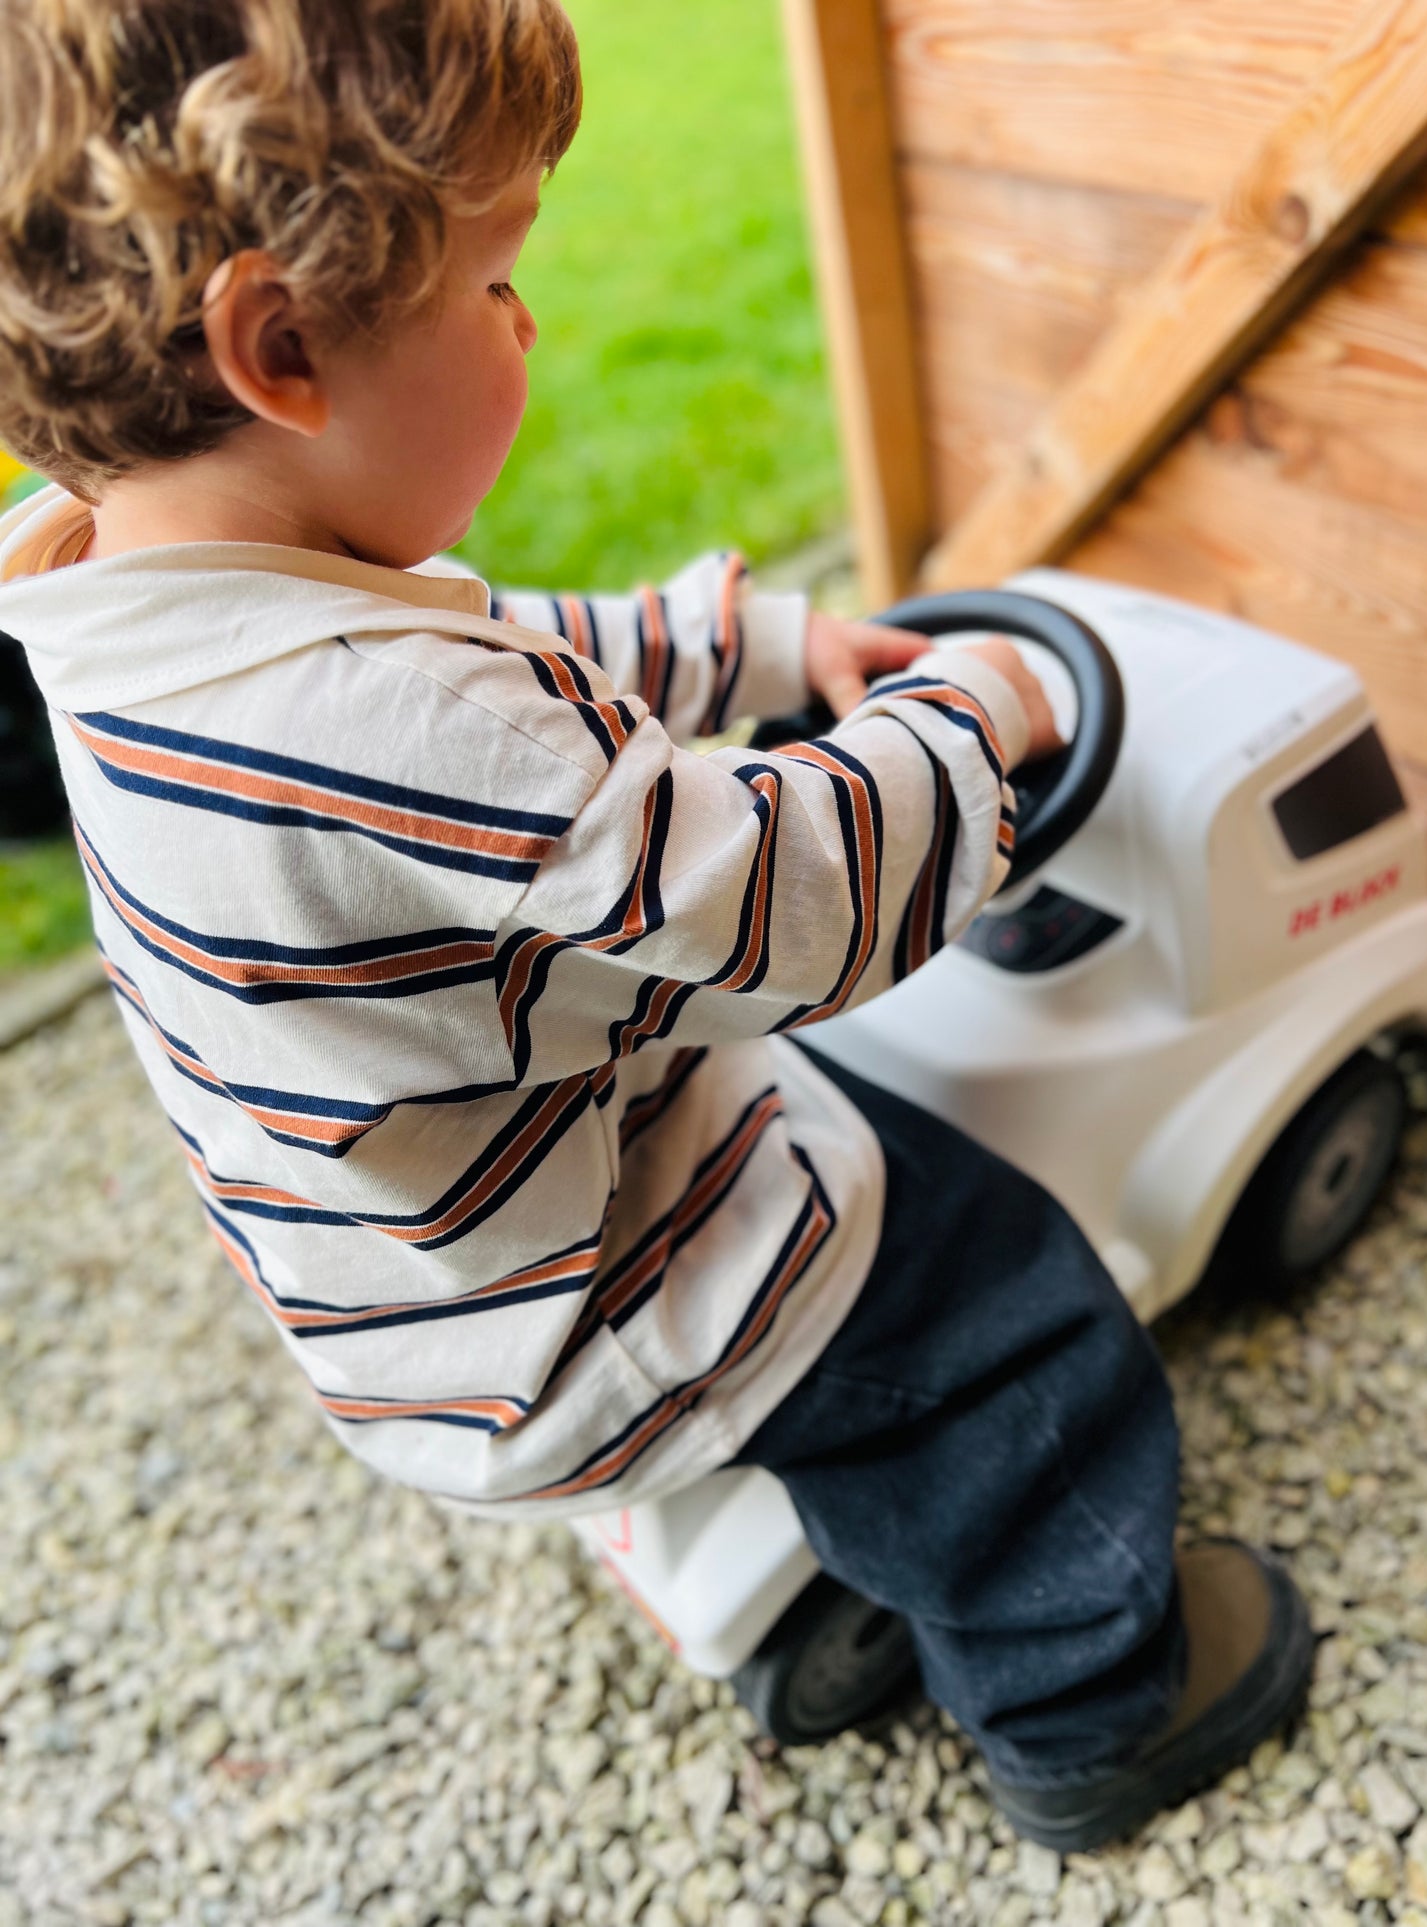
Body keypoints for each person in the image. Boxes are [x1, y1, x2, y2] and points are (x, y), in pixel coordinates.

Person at [0, 0, 1312, 1849]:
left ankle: (846, 1570)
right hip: (594, 1285)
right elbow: (780, 902)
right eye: (496, 282)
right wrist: (967, 720)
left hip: (397, 1279)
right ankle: (1097, 1706)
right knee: (994, 1312)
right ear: (281, 347)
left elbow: (475, 664)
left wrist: (764, 648)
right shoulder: (396, 725)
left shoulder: (127, 583)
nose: (527, 324)